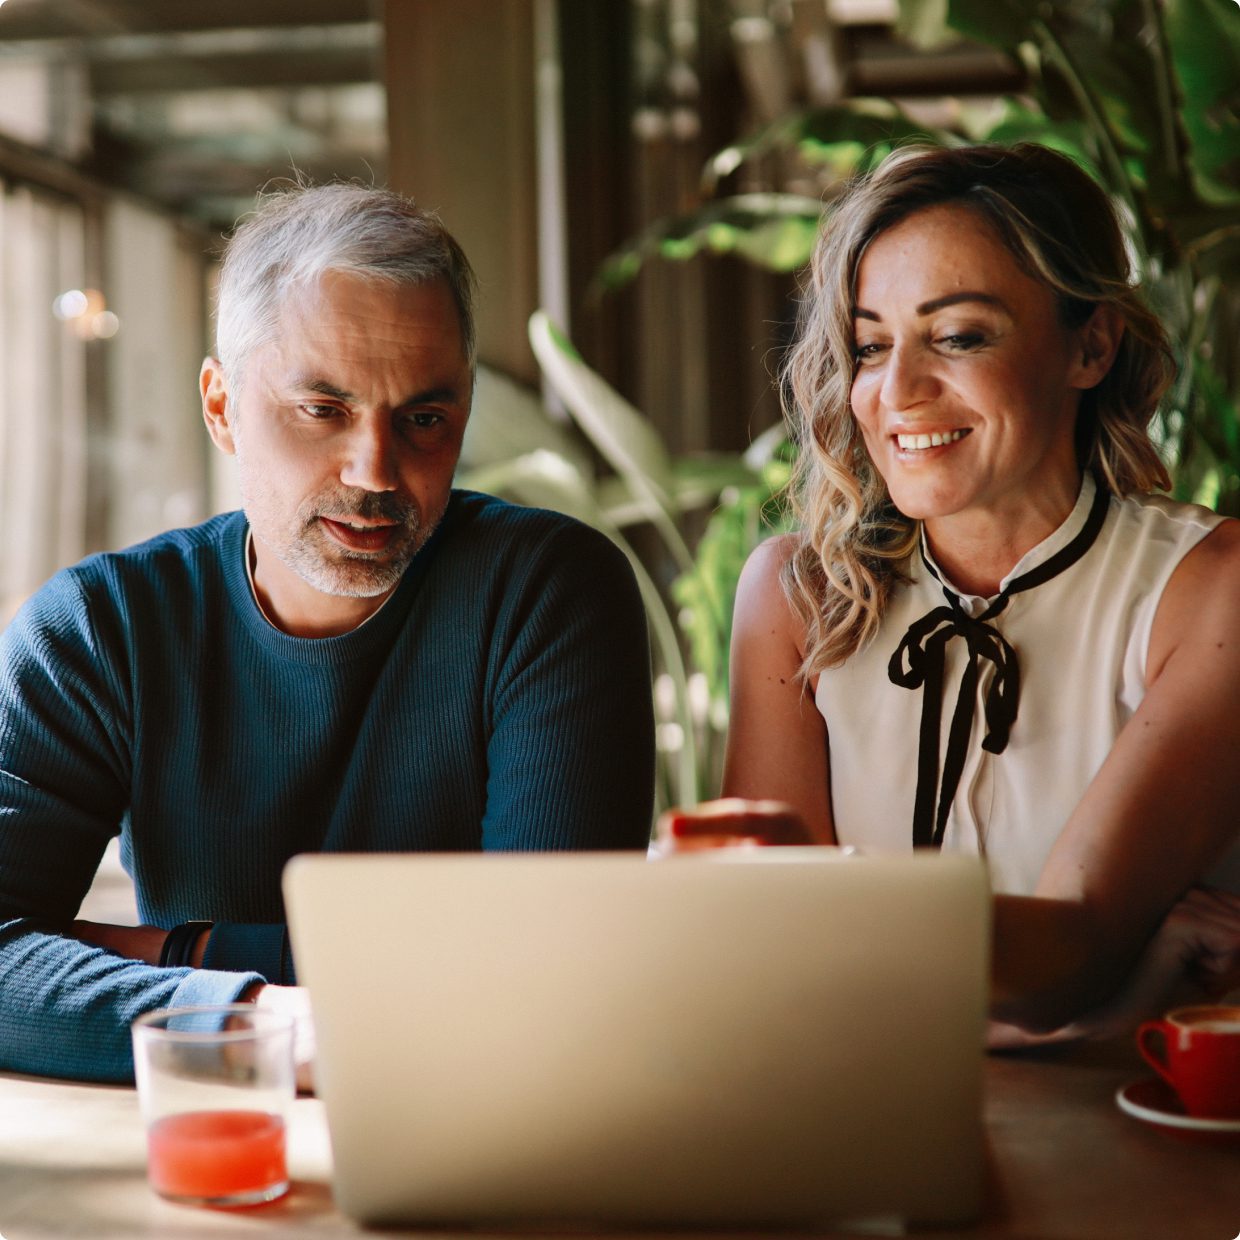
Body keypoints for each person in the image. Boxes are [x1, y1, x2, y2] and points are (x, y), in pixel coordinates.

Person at [0, 184, 656, 1083]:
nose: (376, 470)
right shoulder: (100, 628)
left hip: (485, 1124)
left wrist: (179, 950)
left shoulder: (546, 591)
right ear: (221, 406)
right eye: (323, 409)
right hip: (214, 1138)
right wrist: (260, 1020)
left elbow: (547, 964)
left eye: (425, 418)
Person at [660, 143, 1240, 1040]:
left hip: (1118, 1142)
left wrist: (818, 900)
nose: (898, 391)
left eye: (959, 336)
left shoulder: (1208, 589)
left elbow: (1071, 950)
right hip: (849, 1127)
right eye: (870, 345)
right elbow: (774, 983)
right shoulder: (795, 597)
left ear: (1090, 345)